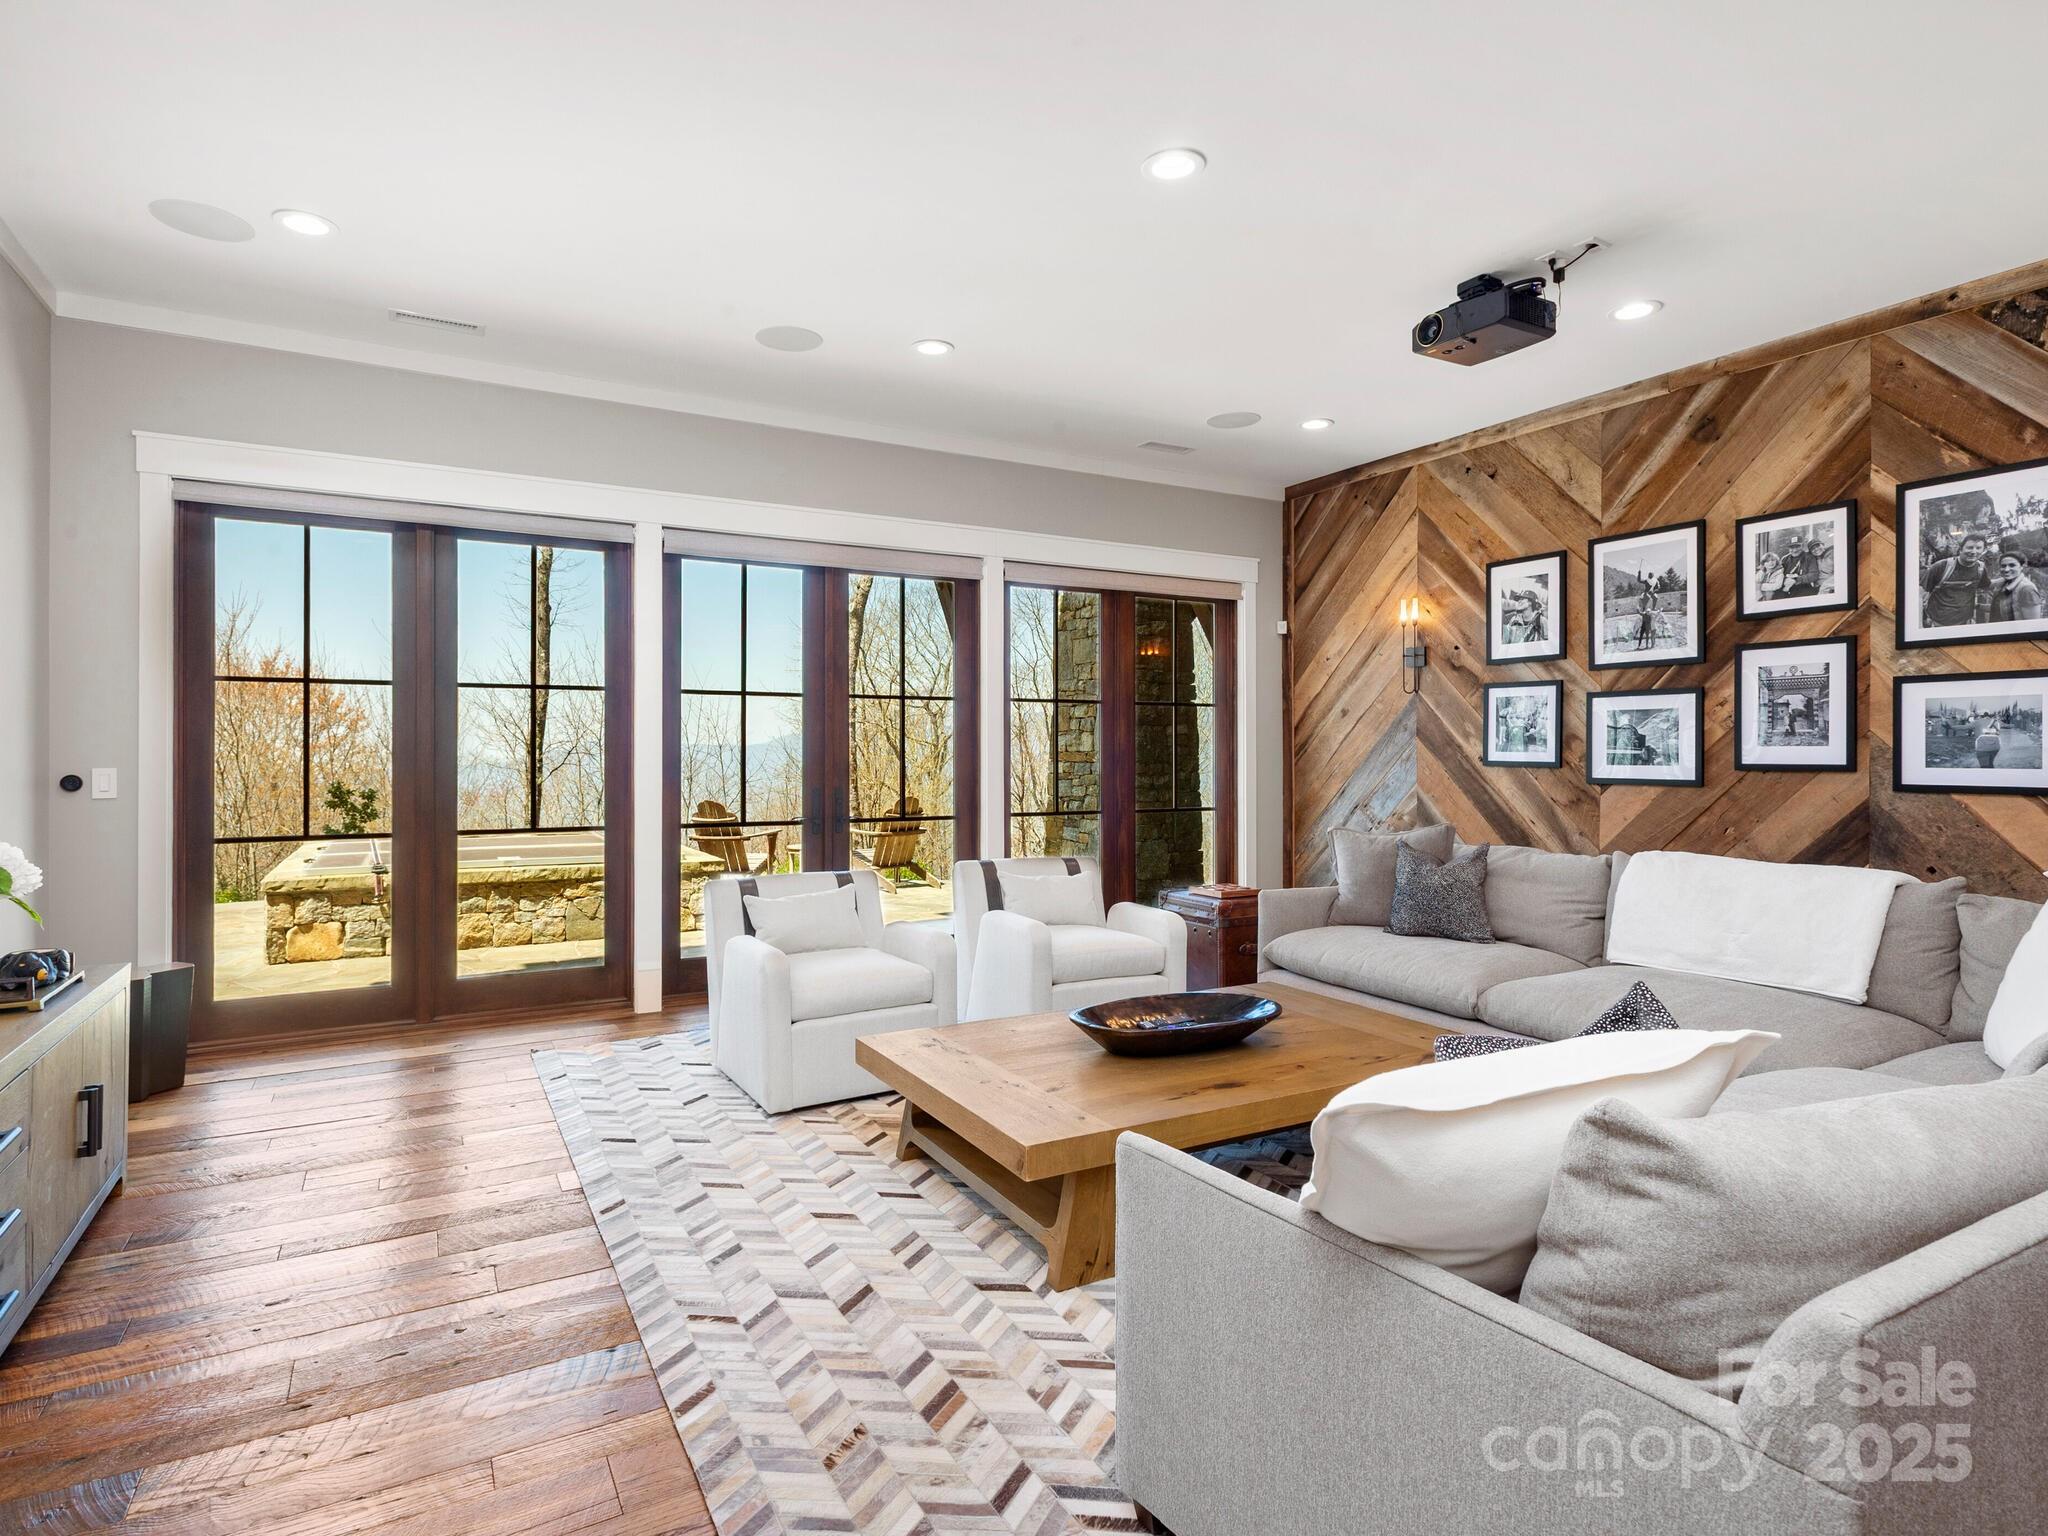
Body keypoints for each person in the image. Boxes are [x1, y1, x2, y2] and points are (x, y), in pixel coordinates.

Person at [1921, 535, 1993, 629]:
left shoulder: (1980, 569)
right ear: (1961, 549)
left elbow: (1988, 585)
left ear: (1983, 550)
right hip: (1936, 624)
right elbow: (1918, 595)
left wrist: (2012, 578)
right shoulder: (1941, 566)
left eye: (1978, 548)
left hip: (1965, 624)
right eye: (1970, 547)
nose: (1974, 552)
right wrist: (1919, 625)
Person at [1990, 552, 2044, 624]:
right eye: (2003, 566)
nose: (2006, 569)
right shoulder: (2005, 583)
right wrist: (1979, 606)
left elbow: (2033, 624)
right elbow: (2002, 608)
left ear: (2022, 567)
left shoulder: (2027, 589)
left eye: (2012, 565)